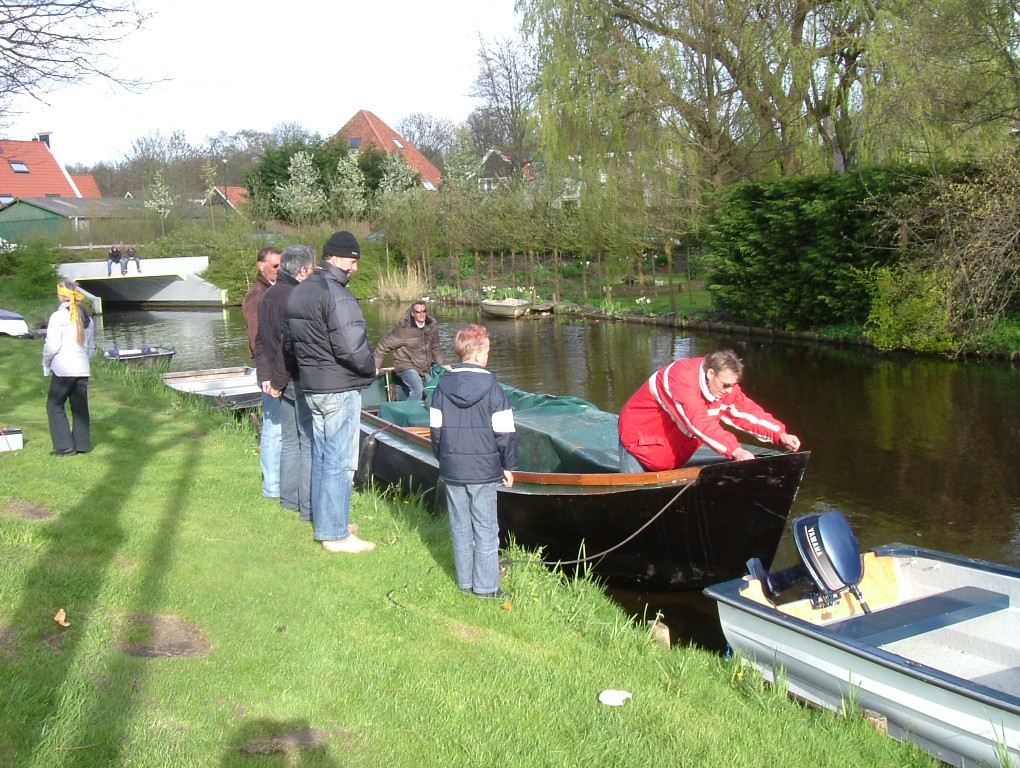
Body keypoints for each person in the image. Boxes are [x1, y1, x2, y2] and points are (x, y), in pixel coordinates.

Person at [283, 231, 377, 553]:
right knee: (340, 462)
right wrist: (371, 368)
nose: (355, 268)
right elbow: (353, 348)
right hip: (338, 389)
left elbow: (288, 344)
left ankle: (328, 520)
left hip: (312, 387)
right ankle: (336, 535)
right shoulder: (336, 294)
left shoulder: (299, 291)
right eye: (353, 261)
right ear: (335, 257)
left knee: (323, 457)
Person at [429, 324, 517, 599]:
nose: (489, 356)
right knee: (487, 529)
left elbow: (436, 431)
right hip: (483, 470)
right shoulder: (494, 388)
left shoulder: (441, 387)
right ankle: (487, 588)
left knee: (460, 526)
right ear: (477, 353)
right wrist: (508, 466)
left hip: (453, 468)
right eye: (487, 351)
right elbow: (504, 432)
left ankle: (465, 584)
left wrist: (444, 459)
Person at [618, 349, 801, 472]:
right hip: (639, 443)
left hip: (673, 454)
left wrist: (779, 434)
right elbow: (697, 420)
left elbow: (746, 411)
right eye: (725, 385)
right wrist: (735, 450)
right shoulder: (678, 379)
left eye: (733, 385)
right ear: (710, 373)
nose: (729, 390)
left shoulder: (724, 387)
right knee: (634, 498)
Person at [255, 244, 316, 522]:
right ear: (302, 271)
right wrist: (276, 379)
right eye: (311, 267)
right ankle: (307, 507)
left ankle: (289, 501)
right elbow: (288, 346)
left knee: (290, 442)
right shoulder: (295, 296)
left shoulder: (268, 295)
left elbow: (262, 342)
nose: (313, 272)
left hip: (281, 379)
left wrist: (266, 376)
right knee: (306, 442)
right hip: (295, 378)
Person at [242, 246, 282, 499]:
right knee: (273, 428)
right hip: (270, 373)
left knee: (279, 428)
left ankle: (279, 481)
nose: (279, 270)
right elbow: (258, 340)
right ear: (261, 266)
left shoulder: (275, 292)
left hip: (278, 371)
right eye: (275, 266)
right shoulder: (257, 296)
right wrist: (266, 376)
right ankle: (272, 486)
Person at [42, 280, 95, 456]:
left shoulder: (58, 317)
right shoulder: (87, 317)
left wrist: (46, 363)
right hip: (82, 367)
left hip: (64, 368)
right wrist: (85, 363)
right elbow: (90, 348)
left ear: (61, 295)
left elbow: (52, 346)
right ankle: (82, 444)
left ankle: (65, 446)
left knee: (54, 405)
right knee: (80, 407)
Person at [373, 300, 449, 400]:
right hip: (405, 366)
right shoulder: (403, 330)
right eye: (418, 312)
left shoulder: (431, 327)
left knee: (434, 389)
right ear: (413, 313)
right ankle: (409, 414)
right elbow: (383, 347)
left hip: (423, 369)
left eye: (424, 311)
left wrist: (442, 366)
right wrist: (376, 367)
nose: (421, 314)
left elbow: (436, 348)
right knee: (418, 390)